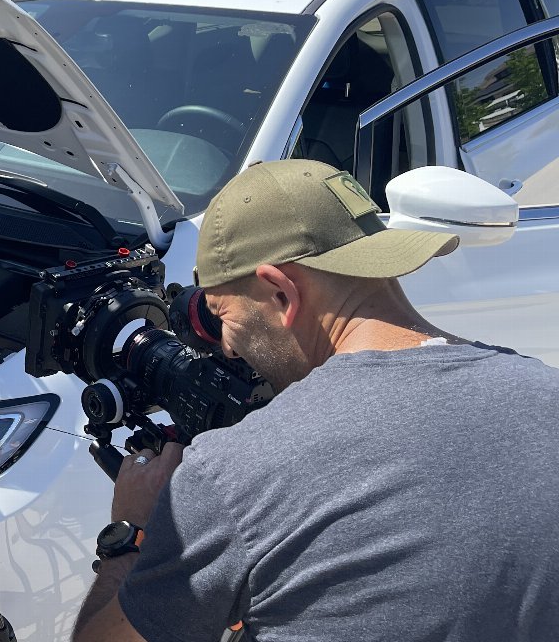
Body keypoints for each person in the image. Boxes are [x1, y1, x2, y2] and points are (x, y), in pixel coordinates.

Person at [68, 160, 559, 642]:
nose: (227, 347)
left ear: (281, 293)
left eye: (222, 316)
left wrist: (130, 533)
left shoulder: (229, 476)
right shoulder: (546, 393)